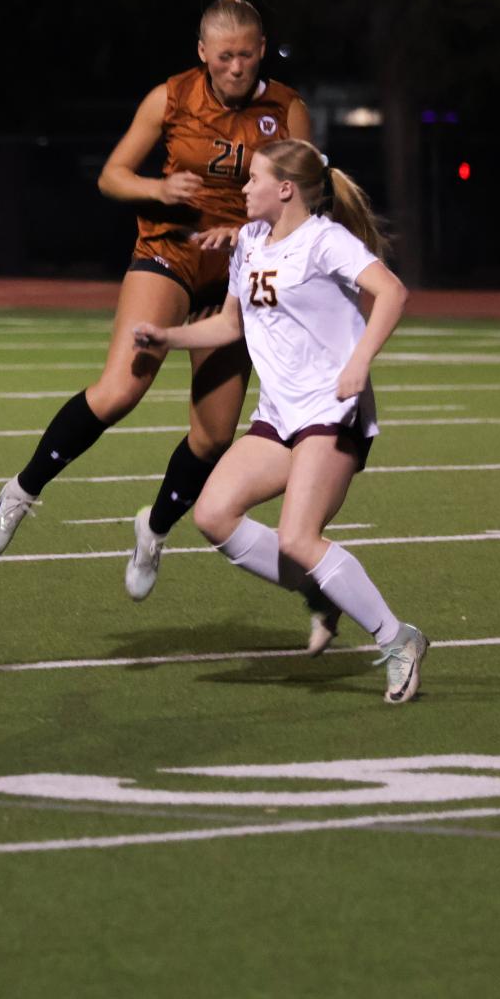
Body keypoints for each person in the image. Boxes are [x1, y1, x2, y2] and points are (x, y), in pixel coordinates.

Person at [0, 0, 348, 603]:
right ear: (203, 53)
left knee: (215, 435)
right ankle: (21, 490)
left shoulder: (289, 110)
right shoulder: (170, 96)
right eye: (225, 57)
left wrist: (252, 236)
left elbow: (305, 204)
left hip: (242, 274)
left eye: (249, 54)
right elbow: (112, 176)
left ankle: (152, 527)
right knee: (119, 390)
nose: (238, 67)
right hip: (171, 253)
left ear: (261, 48)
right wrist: (159, 191)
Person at [130, 139, 426, 704]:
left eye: (253, 179)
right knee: (214, 515)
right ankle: (326, 587)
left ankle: (398, 639)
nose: (243, 189)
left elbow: (392, 292)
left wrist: (359, 362)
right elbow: (229, 328)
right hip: (281, 414)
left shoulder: (324, 240)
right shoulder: (250, 242)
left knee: (299, 537)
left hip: (331, 409)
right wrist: (169, 338)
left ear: (285, 189)